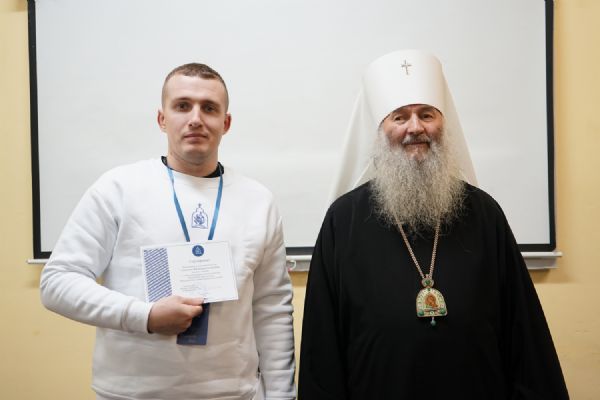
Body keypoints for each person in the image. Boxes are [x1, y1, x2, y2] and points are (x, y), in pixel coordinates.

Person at [298, 50, 568, 399]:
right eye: (399, 117)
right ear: (380, 130)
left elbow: (524, 336)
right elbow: (323, 350)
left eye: (427, 114)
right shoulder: (343, 221)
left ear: (443, 123)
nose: (415, 128)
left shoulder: (484, 214)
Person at [41, 63, 296, 400]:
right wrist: (145, 316)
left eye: (209, 108)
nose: (195, 118)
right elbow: (57, 282)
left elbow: (272, 308)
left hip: (233, 392)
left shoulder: (258, 201)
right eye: (182, 106)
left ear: (226, 123)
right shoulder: (118, 188)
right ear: (162, 119)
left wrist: (281, 394)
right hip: (131, 393)